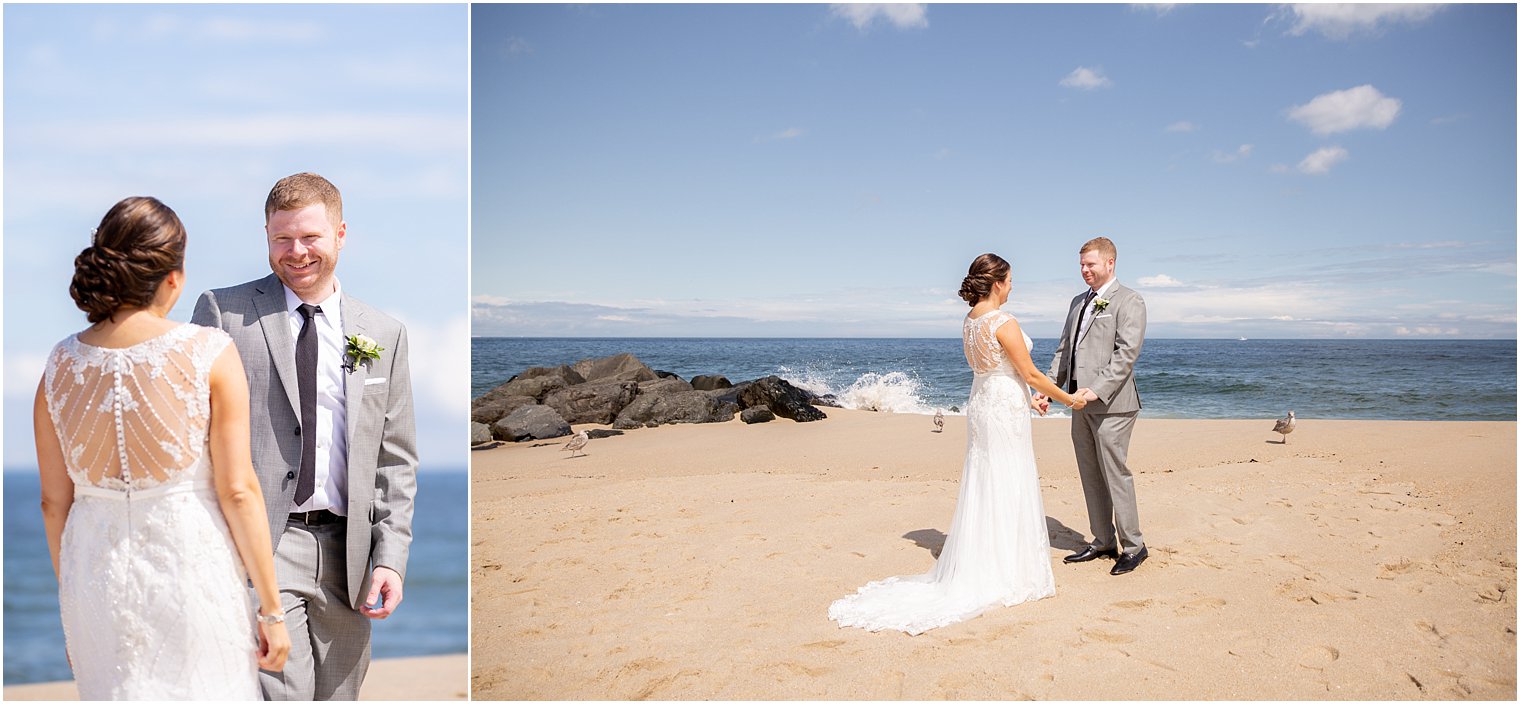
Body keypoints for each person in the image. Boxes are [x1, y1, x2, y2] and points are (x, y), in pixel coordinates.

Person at [33, 196, 291, 699]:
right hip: (192, 572)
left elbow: (52, 503)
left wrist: (74, 606)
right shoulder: (208, 351)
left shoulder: (59, 365)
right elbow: (238, 491)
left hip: (95, 580)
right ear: (173, 277)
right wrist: (271, 609)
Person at [191, 172, 418, 700]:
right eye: (281, 239)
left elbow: (396, 459)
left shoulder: (384, 333)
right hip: (262, 546)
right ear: (266, 237)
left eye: (310, 237)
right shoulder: (223, 312)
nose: (296, 252)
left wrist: (390, 557)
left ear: (341, 234)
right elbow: (194, 437)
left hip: (351, 556)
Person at [828, 253, 1089, 635]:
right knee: (1007, 478)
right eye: (1011, 279)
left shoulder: (970, 322)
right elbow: (1029, 372)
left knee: (988, 478)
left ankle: (988, 559)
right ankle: (1007, 568)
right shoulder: (1004, 321)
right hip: (1000, 408)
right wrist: (1070, 401)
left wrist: (1028, 398)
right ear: (997, 282)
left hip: (984, 403)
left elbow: (995, 371)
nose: (1013, 286)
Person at [1041, 236, 1149, 576]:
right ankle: (1103, 540)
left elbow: (1126, 355)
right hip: (1077, 404)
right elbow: (1065, 352)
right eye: (1082, 265)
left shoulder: (1130, 301)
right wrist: (1048, 388)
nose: (1085, 271)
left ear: (1110, 264)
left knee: (1115, 475)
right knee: (1090, 475)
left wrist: (1095, 390)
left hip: (1113, 405)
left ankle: (1134, 546)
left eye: (1091, 265)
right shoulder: (1077, 302)